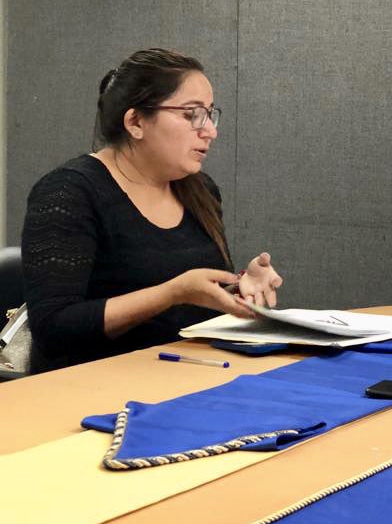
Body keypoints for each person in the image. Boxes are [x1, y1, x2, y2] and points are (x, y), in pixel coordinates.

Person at [23, 48, 282, 373]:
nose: (210, 131)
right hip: (91, 388)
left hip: (186, 376)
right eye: (192, 115)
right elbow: (54, 328)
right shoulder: (69, 192)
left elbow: (192, 295)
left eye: (210, 115)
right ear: (135, 122)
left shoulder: (199, 188)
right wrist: (172, 293)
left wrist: (236, 287)